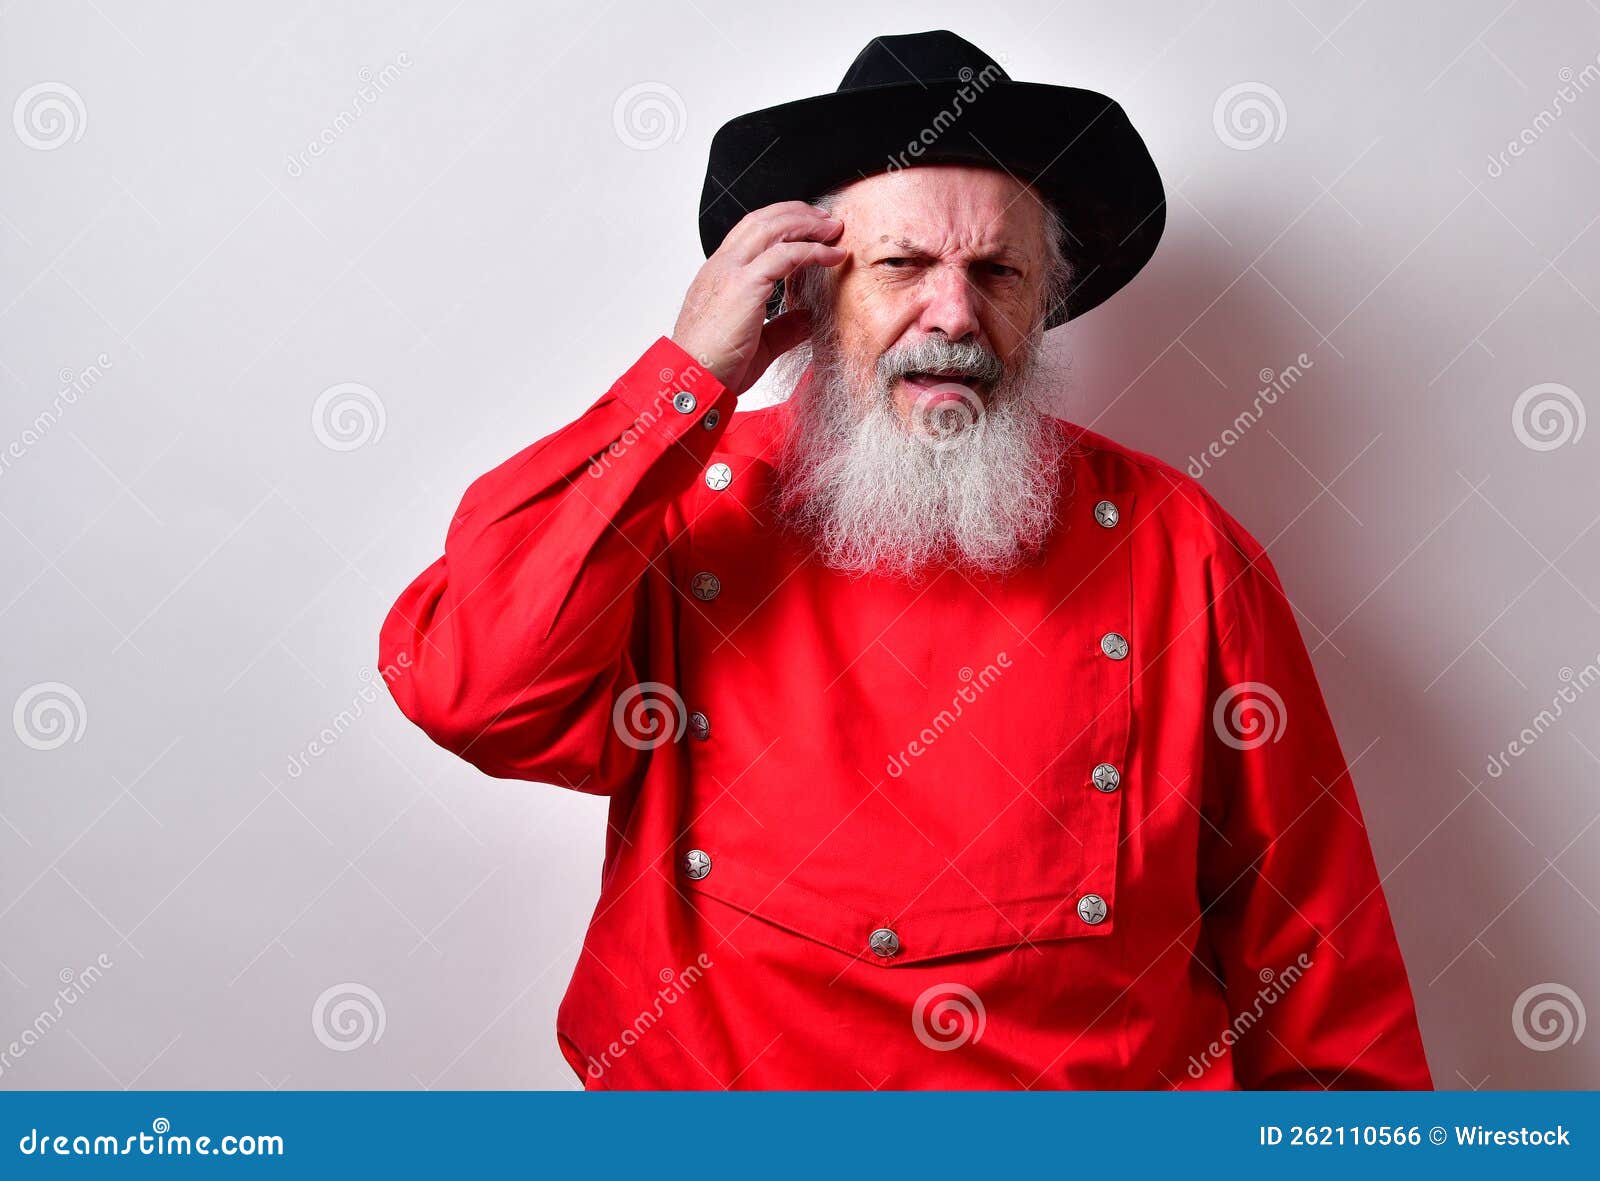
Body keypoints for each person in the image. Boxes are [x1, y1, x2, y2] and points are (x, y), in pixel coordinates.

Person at [379, 30, 1432, 1089]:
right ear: (806, 291)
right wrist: (681, 381)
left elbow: (1311, 953)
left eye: (998, 270)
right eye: (901, 265)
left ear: (1043, 301)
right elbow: (477, 689)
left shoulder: (1177, 542)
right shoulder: (683, 509)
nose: (954, 314)